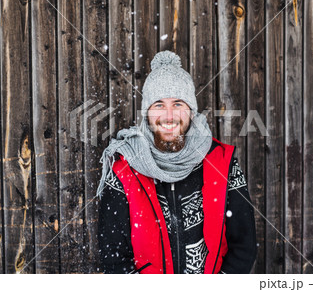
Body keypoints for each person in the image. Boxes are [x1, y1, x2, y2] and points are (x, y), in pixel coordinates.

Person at [97, 50, 257, 274]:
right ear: (147, 113)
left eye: (178, 104)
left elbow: (244, 246)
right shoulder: (124, 169)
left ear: (191, 111)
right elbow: (113, 256)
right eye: (159, 105)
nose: (169, 116)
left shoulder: (222, 164)